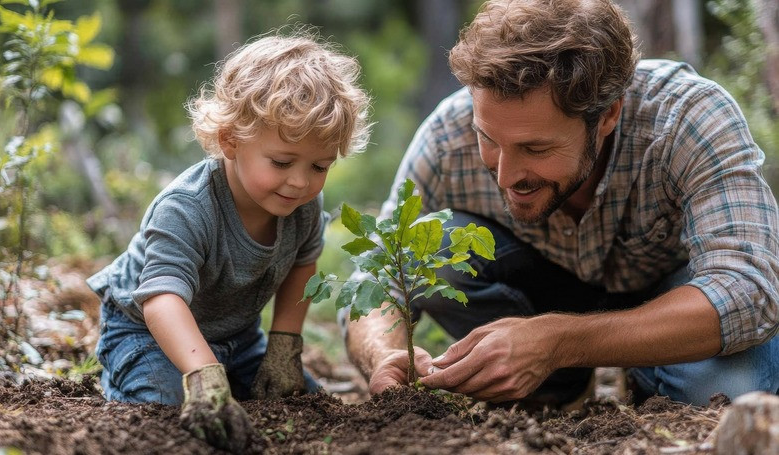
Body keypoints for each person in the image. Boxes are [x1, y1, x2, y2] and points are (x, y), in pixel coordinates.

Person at [341, 0, 779, 409]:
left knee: (727, 391)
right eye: (488, 140)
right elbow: (377, 276)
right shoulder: (445, 134)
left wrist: (557, 341)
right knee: (430, 245)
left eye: (536, 148)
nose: (505, 175)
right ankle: (555, 384)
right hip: (538, 287)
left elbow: (748, 290)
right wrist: (384, 353)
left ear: (607, 116)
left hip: (669, 299)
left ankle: (648, 370)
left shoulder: (688, 117)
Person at [87, 32, 371, 451]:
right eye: (281, 162)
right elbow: (161, 299)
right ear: (230, 141)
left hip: (238, 338)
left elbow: (302, 266)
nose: (300, 181)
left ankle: (226, 372)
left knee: (303, 405)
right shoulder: (187, 207)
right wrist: (203, 374)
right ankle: (126, 377)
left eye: (320, 166)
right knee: (168, 410)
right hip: (143, 332)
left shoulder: (304, 206)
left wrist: (283, 346)